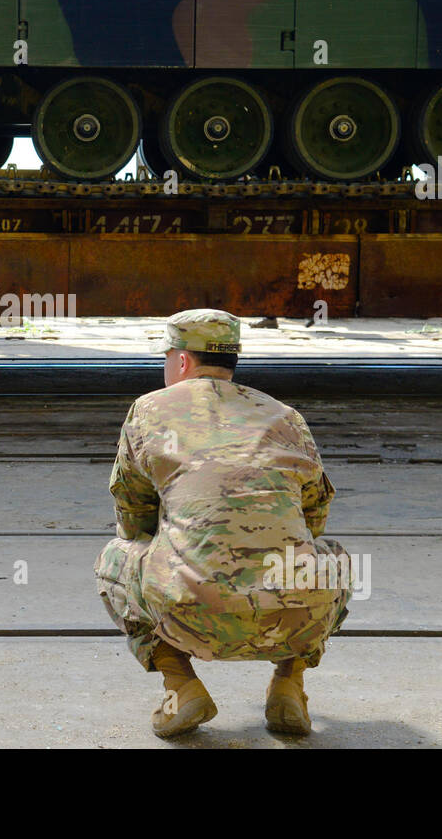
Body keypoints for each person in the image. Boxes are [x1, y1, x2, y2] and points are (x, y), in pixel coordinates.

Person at [94, 308, 352, 738]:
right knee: (336, 561)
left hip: (191, 614)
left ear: (180, 361)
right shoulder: (285, 416)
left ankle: (182, 686)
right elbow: (314, 518)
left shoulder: (148, 411)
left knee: (114, 559)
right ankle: (289, 685)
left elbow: (133, 519)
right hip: (297, 617)